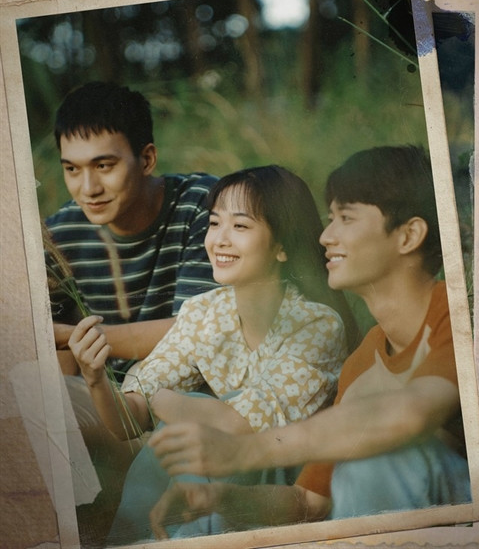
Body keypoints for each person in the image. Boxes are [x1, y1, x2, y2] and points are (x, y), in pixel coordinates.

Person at [145, 145, 472, 539]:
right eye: (329, 219)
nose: (325, 236)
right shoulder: (362, 363)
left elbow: (412, 414)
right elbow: (309, 502)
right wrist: (221, 500)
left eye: (345, 218)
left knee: (384, 453)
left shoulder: (459, 314)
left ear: (408, 235)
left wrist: (244, 451)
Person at [68, 164, 353, 545]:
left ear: (282, 246)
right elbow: (128, 422)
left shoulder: (316, 325)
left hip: (279, 488)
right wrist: (95, 378)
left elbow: (241, 426)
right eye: (215, 223)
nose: (219, 239)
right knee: (189, 421)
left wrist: (167, 401)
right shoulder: (204, 312)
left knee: (200, 414)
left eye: (240, 226)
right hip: (217, 470)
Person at [42, 81, 218, 543]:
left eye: (104, 166)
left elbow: (198, 332)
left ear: (147, 159)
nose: (88, 188)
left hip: (190, 414)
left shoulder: (203, 205)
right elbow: (63, 368)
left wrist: (64, 335)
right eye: (72, 169)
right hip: (111, 417)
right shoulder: (60, 233)